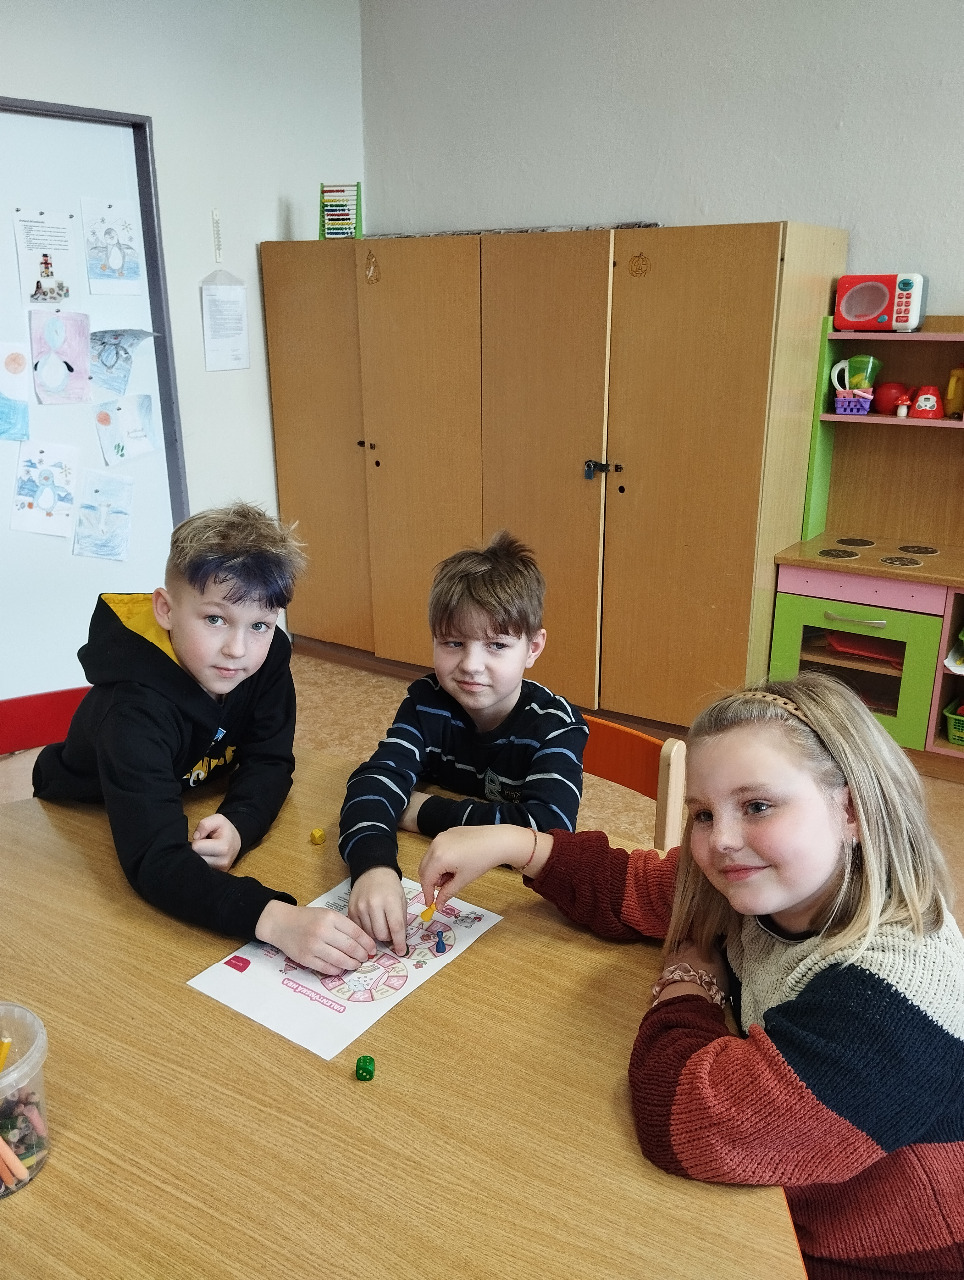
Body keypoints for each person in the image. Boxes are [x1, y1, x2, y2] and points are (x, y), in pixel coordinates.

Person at [417, 672, 964, 1279]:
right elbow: (640, 885)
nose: (721, 841)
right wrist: (517, 843)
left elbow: (681, 1114)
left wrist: (689, 977)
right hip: (792, 1181)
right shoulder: (782, 877)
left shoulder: (890, 1003)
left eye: (757, 806)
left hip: (876, 1248)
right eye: (702, 813)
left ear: (851, 811)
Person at [33, 502, 375, 973]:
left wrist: (240, 822)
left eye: (260, 625)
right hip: (86, 808)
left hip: (194, 786)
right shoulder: (132, 712)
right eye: (215, 619)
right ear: (166, 609)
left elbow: (270, 759)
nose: (237, 649)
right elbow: (155, 861)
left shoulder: (265, 657)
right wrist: (275, 919)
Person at [339, 530, 587, 955]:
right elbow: (373, 783)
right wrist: (372, 867)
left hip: (512, 907)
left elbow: (549, 831)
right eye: (453, 643)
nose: (471, 665)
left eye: (497, 645)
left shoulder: (555, 725)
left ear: (533, 648)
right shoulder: (426, 702)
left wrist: (420, 811)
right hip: (446, 872)